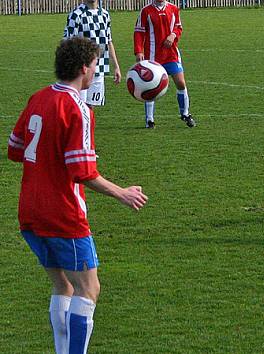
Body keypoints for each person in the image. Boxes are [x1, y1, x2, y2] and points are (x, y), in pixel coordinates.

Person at [7, 37, 148, 354]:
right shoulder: (77, 108)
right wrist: (122, 193)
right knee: (88, 288)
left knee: (63, 285)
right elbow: (82, 171)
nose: (96, 70)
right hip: (62, 213)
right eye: (96, 65)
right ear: (84, 68)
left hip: (30, 211)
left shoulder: (38, 98)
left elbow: (15, 150)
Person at [134, 0, 196, 129]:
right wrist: (139, 51)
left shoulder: (173, 9)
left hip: (171, 54)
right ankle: (150, 120)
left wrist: (173, 35)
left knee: (181, 83)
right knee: (150, 87)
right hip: (153, 56)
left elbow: (178, 27)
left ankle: (185, 113)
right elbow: (139, 32)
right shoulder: (146, 11)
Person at [63, 0, 121, 107]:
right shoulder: (76, 15)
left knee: (91, 108)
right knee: (79, 107)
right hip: (81, 71)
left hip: (99, 69)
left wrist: (116, 67)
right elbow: (68, 44)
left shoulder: (105, 14)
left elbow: (108, 41)